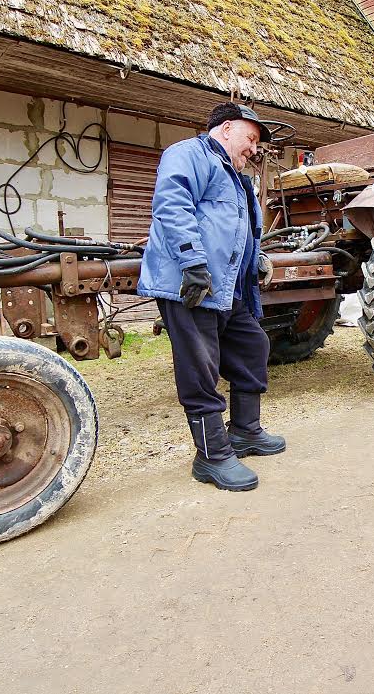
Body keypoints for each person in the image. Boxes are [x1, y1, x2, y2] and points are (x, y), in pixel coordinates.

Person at [136, 102, 286, 491]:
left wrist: (259, 259)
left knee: (253, 346)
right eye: (250, 138)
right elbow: (172, 205)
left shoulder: (238, 181)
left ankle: (245, 432)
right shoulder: (188, 154)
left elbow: (235, 232)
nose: (254, 149)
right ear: (225, 128)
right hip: (189, 284)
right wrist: (193, 262)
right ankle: (211, 457)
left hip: (224, 290)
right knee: (200, 368)